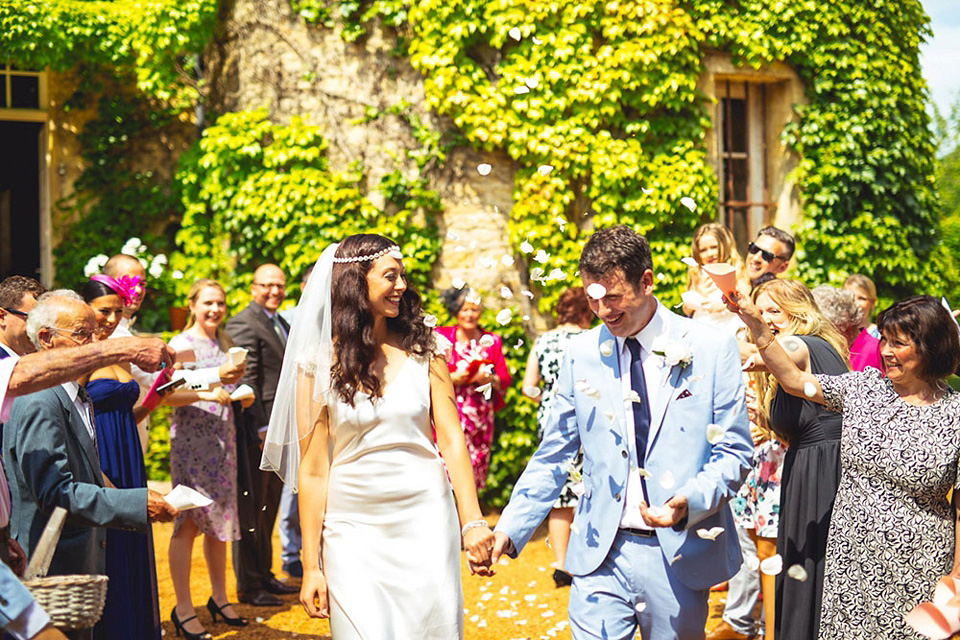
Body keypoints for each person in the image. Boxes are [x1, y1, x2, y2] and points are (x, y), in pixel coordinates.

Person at [492, 225, 753, 639]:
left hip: (677, 553)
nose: (603, 311)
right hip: (599, 551)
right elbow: (554, 454)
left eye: (613, 297)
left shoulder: (710, 346)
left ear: (647, 281)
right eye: (593, 299)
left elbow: (735, 453)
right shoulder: (579, 355)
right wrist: (510, 526)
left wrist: (689, 501)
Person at [260, 234, 496, 638]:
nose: (401, 285)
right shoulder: (315, 364)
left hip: (425, 519)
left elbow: (452, 439)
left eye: (402, 275)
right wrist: (311, 565)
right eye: (391, 275)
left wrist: (472, 520)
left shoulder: (428, 348)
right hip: (351, 528)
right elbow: (314, 469)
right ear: (356, 281)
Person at [729, 292, 960, 639]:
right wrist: (755, 322)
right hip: (852, 560)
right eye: (884, 339)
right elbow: (793, 379)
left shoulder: (956, 414)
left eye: (899, 343)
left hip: (921, 564)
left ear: (930, 347)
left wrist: (957, 577)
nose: (886, 351)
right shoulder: (863, 388)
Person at [3, 291, 178, 640]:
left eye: (95, 333)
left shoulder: (75, 394)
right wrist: (132, 503)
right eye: (82, 335)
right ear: (46, 340)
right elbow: (54, 492)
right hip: (47, 567)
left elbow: (85, 469)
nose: (93, 344)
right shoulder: (40, 399)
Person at [744, 280, 849, 640]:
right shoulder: (797, 348)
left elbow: (763, 356)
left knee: (814, 562)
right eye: (761, 312)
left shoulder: (800, 343)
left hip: (823, 470)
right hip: (805, 467)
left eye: (775, 310)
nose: (767, 319)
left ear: (798, 310)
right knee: (804, 564)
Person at [165, 279, 252, 639]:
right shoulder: (180, 345)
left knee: (220, 522)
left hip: (222, 441)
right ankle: (183, 607)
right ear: (192, 305)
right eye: (208, 303)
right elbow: (168, 394)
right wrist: (209, 392)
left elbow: (226, 387)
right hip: (191, 443)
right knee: (187, 524)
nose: (215, 310)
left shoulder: (225, 342)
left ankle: (219, 597)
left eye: (220, 303)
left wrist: (239, 396)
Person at [80, 276, 163, 640]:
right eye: (104, 311)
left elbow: (129, 415)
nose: (112, 320)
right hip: (103, 455)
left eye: (117, 311)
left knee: (133, 542)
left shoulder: (120, 351)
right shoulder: (80, 355)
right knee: (108, 545)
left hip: (129, 453)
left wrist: (158, 396)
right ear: (85, 309)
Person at [225, 264, 299, 604]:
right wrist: (258, 428)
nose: (274, 291)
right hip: (260, 427)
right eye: (267, 285)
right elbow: (247, 378)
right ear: (254, 287)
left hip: (282, 428)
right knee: (251, 507)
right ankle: (249, 585)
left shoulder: (281, 322)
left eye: (280, 285)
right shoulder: (244, 322)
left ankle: (265, 574)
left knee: (268, 506)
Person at [521, 286, 594, 588]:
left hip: (550, 421)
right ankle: (588, 559)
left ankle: (561, 564)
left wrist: (546, 400)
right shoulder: (591, 339)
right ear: (584, 312)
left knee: (560, 492)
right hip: (587, 417)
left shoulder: (544, 340)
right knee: (589, 487)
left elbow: (528, 387)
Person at [435, 285, 512, 488]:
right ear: (456, 312)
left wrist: (489, 379)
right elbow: (429, 374)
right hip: (450, 412)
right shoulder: (442, 337)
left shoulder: (492, 341)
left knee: (475, 467)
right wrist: (452, 378)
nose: (470, 314)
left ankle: (468, 517)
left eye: (474, 309)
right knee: (445, 468)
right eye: (465, 309)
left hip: (480, 416)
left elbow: (504, 379)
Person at [277, 263, 313, 578]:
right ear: (303, 287)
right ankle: (290, 553)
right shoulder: (285, 320)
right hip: (291, 410)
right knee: (293, 484)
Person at [682, 222, 749, 333]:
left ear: (724, 245)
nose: (710, 254)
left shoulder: (735, 269)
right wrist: (698, 295)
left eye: (714, 247)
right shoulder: (698, 273)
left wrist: (724, 305)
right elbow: (687, 310)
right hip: (702, 326)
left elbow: (745, 296)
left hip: (729, 327)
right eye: (703, 250)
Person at [842, 274, 882, 370]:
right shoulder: (835, 333)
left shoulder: (880, 336)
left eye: (862, 298)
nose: (855, 303)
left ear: (872, 303)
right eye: (850, 297)